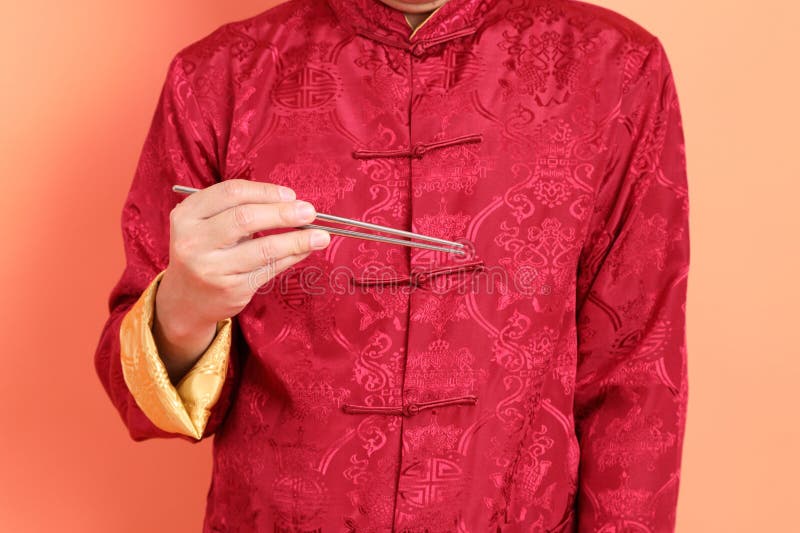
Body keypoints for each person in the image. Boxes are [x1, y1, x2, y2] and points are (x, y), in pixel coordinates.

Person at [94, 0, 690, 530]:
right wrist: (184, 308)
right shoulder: (219, 78)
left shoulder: (613, 70)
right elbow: (137, 402)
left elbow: (638, 374)